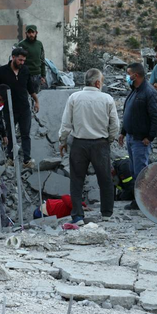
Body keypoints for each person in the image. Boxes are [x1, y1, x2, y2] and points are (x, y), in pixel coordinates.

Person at [58, 68, 119, 222]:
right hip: (100, 143)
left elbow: (66, 124)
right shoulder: (107, 99)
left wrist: (62, 141)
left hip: (79, 144)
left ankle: (78, 215)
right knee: (105, 179)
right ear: (98, 83)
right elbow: (115, 125)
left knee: (77, 180)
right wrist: (109, 140)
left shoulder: (74, 97)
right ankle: (106, 213)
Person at [118, 63, 157, 210]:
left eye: (128, 73)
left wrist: (149, 137)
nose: (127, 76)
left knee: (141, 172)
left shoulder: (149, 93)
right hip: (131, 137)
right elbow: (129, 113)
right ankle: (139, 199)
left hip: (140, 140)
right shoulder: (135, 91)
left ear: (135, 75)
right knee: (134, 170)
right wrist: (123, 132)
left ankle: (142, 202)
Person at [0, 47, 40, 169]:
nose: (22, 63)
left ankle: (26, 160)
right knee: (10, 133)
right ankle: (10, 158)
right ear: (13, 57)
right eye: (20, 60)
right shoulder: (1, 71)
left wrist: (37, 101)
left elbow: (30, 89)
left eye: (24, 60)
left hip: (24, 108)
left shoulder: (25, 70)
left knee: (25, 134)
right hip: (8, 108)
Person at [18, 24, 46, 90]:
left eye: (33, 32)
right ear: (26, 33)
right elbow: (17, 61)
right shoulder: (21, 44)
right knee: (25, 96)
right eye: (29, 32)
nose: (31, 35)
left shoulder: (39, 44)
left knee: (36, 97)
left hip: (37, 76)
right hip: (25, 75)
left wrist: (43, 76)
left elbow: (42, 60)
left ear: (36, 33)